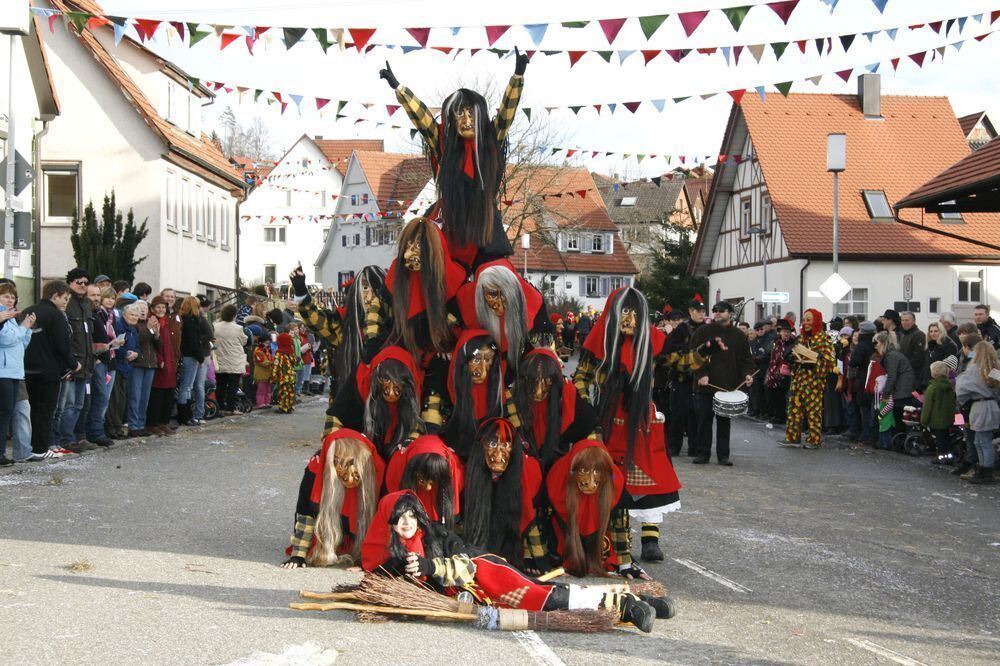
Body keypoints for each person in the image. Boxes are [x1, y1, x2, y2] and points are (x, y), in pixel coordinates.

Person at [360, 490, 666, 633]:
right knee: (545, 591)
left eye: (412, 515)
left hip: (486, 575)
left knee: (544, 597)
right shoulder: (396, 557)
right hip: (479, 600)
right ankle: (641, 599)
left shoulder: (436, 537)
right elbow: (380, 578)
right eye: (399, 518)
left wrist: (430, 567)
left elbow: (466, 565)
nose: (407, 523)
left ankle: (625, 604)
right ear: (390, 522)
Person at [380, 48, 527, 267]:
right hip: (450, 224)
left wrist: (517, 77)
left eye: (471, 113)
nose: (466, 119)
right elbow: (422, 119)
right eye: (459, 113)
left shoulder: (490, 140)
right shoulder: (442, 145)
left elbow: (507, 112)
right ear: (452, 119)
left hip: (484, 227)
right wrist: (399, 88)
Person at [281, 429, 385, 568]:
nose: (349, 482)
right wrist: (298, 555)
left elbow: (384, 522)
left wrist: (370, 560)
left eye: (356, 477)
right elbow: (305, 512)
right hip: (327, 532)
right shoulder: (315, 471)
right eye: (343, 477)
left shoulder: (378, 469)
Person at [690, 301, 754, 465]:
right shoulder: (702, 331)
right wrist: (701, 374)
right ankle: (703, 453)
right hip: (706, 385)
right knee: (704, 420)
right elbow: (693, 356)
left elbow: (746, 359)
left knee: (724, 422)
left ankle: (723, 455)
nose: (717, 313)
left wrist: (747, 374)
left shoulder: (739, 335)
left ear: (730, 313)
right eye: (715, 310)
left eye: (721, 310)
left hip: (728, 386)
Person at [23, 281, 78, 459]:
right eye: (64, 298)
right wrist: (73, 364)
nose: (65, 303)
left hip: (27, 368)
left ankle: (29, 446)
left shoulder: (28, 311)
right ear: (54, 295)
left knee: (32, 409)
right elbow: (62, 345)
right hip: (48, 370)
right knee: (46, 410)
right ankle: (40, 448)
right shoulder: (56, 315)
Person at [781, 309, 835, 449]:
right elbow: (792, 353)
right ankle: (793, 437)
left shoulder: (824, 338)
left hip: (813, 381)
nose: (806, 323)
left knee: (813, 412)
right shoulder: (801, 338)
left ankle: (814, 439)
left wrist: (815, 361)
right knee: (794, 409)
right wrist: (792, 358)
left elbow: (829, 361)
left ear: (816, 321)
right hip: (798, 380)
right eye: (804, 320)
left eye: (809, 320)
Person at [55, 268, 95, 452]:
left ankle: (77, 437)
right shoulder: (67, 303)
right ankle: (65, 439)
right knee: (68, 405)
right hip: (72, 364)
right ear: (70, 283)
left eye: (86, 283)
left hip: (86, 363)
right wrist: (68, 364)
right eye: (79, 282)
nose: (82, 286)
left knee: (80, 404)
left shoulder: (86, 304)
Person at [664, 296, 707, 456]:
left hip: (700, 379)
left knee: (696, 414)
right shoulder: (682, 329)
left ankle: (694, 447)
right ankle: (674, 445)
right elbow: (669, 353)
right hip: (681, 377)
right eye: (698, 311)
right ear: (691, 311)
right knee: (679, 412)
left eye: (704, 311)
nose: (702, 314)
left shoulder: (707, 329)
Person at [955, 341, 1000, 484]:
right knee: (982, 439)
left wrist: (962, 401)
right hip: (992, 405)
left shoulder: (974, 369)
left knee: (981, 440)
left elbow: (962, 388)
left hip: (979, 406)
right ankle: (984, 468)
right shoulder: (995, 369)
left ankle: (985, 470)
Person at [0, 283, 35, 465]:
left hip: (15, 371)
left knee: (9, 412)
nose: (10, 300)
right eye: (6, 296)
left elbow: (21, 344)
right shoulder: (3, 317)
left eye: (12, 297)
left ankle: (5, 453)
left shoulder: (11, 317)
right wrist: (23, 328)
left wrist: (27, 328)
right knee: (4, 412)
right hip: (3, 371)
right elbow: (6, 339)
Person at [85, 285, 118, 448]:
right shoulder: (88, 313)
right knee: (97, 398)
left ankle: (96, 431)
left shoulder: (100, 314)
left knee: (101, 398)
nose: (96, 298)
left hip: (104, 360)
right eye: (93, 295)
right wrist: (95, 355)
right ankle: (95, 432)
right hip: (95, 361)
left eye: (98, 295)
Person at [873, 331, 916, 450]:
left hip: (902, 391)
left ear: (882, 343)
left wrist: (886, 393)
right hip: (903, 388)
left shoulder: (891, 356)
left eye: (876, 343)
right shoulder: (892, 355)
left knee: (898, 417)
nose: (875, 345)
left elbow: (892, 376)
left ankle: (896, 442)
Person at [126, 302, 159, 437]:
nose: (143, 311)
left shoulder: (149, 324)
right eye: (140, 309)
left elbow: (158, 345)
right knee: (135, 395)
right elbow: (137, 340)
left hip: (150, 364)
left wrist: (156, 334)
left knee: (145, 397)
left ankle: (141, 423)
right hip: (138, 364)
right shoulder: (134, 325)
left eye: (145, 309)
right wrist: (149, 329)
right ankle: (133, 425)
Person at [147, 296, 178, 436]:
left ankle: (163, 422)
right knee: (157, 395)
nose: (161, 310)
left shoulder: (166, 322)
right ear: (152, 309)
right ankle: (153, 423)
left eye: (163, 307)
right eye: (158, 307)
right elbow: (152, 344)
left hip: (169, 362)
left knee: (168, 394)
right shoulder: (152, 322)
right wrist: (160, 360)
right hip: (160, 364)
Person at [177, 296, 207, 425]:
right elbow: (194, 342)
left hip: (187, 355)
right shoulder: (191, 322)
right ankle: (184, 415)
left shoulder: (184, 320)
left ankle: (187, 414)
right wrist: (200, 357)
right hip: (190, 356)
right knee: (186, 387)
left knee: (187, 387)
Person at [213, 304, 247, 416]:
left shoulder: (215, 326)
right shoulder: (238, 328)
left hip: (220, 359)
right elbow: (244, 341)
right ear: (234, 315)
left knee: (220, 385)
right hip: (234, 361)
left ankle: (220, 406)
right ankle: (230, 408)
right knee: (233, 386)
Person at [921, 361, 957, 459]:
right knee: (946, 438)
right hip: (947, 419)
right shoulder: (950, 387)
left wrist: (924, 420)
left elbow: (927, 406)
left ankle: (941, 457)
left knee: (939, 440)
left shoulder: (932, 388)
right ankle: (949, 456)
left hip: (935, 420)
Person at [764, 319, 794, 425]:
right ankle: (777, 415)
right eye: (784, 331)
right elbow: (768, 353)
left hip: (786, 373)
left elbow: (792, 358)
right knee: (775, 394)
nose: (786, 333)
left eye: (788, 332)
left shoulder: (793, 343)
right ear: (780, 332)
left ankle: (783, 416)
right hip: (774, 372)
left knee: (784, 395)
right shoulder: (776, 342)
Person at [896, 311, 927, 389]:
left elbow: (918, 356)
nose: (904, 322)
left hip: (913, 374)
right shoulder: (902, 334)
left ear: (913, 321)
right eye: (902, 320)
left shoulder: (919, 335)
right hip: (902, 373)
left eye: (907, 320)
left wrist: (905, 368)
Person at [272, 332, 297, 414]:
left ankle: (283, 408)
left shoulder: (279, 353)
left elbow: (276, 365)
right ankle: (290, 407)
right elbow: (294, 361)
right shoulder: (291, 351)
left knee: (283, 392)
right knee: (291, 391)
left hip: (283, 376)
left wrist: (273, 376)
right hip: (291, 375)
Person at [252, 337, 274, 409]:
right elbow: (261, 361)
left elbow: (271, 358)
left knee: (268, 389)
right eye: (266, 343)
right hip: (261, 374)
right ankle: (260, 403)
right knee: (261, 389)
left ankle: (267, 402)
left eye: (268, 343)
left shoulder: (267, 350)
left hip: (268, 373)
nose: (267, 344)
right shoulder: (258, 351)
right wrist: (271, 363)